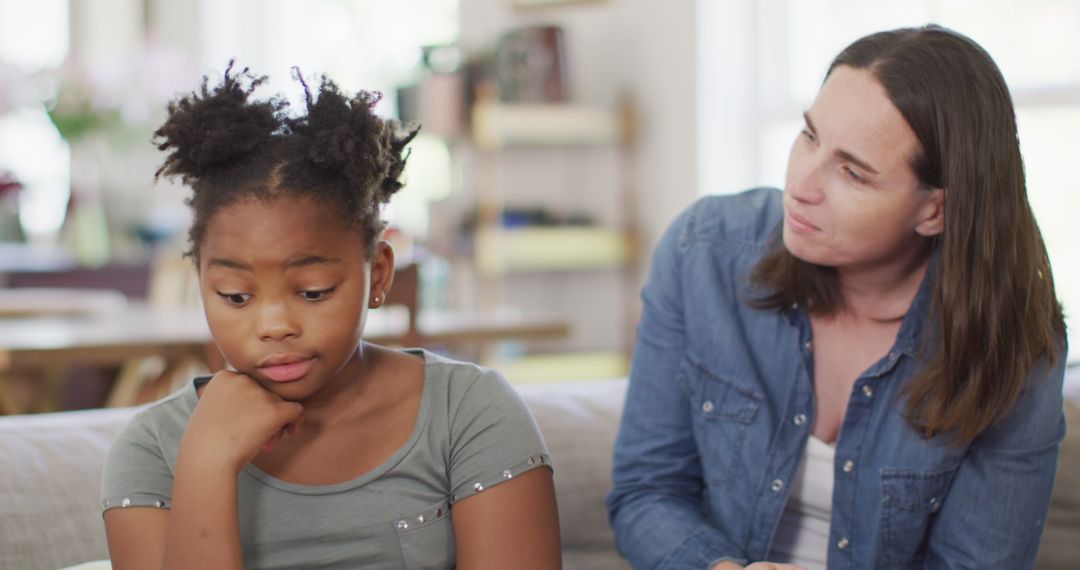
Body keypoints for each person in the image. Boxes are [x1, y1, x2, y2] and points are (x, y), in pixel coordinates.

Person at [606, 25, 1067, 570]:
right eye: (809, 136)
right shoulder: (705, 251)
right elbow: (645, 491)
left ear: (935, 210)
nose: (802, 184)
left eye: (852, 171)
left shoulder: (1012, 345)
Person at [101, 62, 562, 570]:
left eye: (314, 291)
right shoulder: (152, 450)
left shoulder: (468, 413)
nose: (274, 325)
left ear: (379, 273)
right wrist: (206, 463)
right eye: (235, 296)